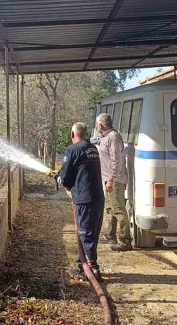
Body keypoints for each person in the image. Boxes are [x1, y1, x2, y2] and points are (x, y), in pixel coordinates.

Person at [60, 122, 105, 280]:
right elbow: (81, 169)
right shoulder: (93, 149)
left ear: (73, 135)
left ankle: (93, 267)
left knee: (85, 232)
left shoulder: (72, 149)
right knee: (92, 231)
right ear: (86, 134)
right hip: (98, 196)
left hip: (84, 198)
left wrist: (60, 179)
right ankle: (83, 261)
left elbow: (66, 178)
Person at [96, 113, 132, 251]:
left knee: (119, 210)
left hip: (114, 180)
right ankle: (110, 235)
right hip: (108, 180)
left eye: (97, 124)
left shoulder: (113, 137)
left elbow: (116, 160)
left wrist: (111, 179)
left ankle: (125, 240)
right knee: (110, 209)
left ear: (100, 125)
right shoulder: (105, 137)